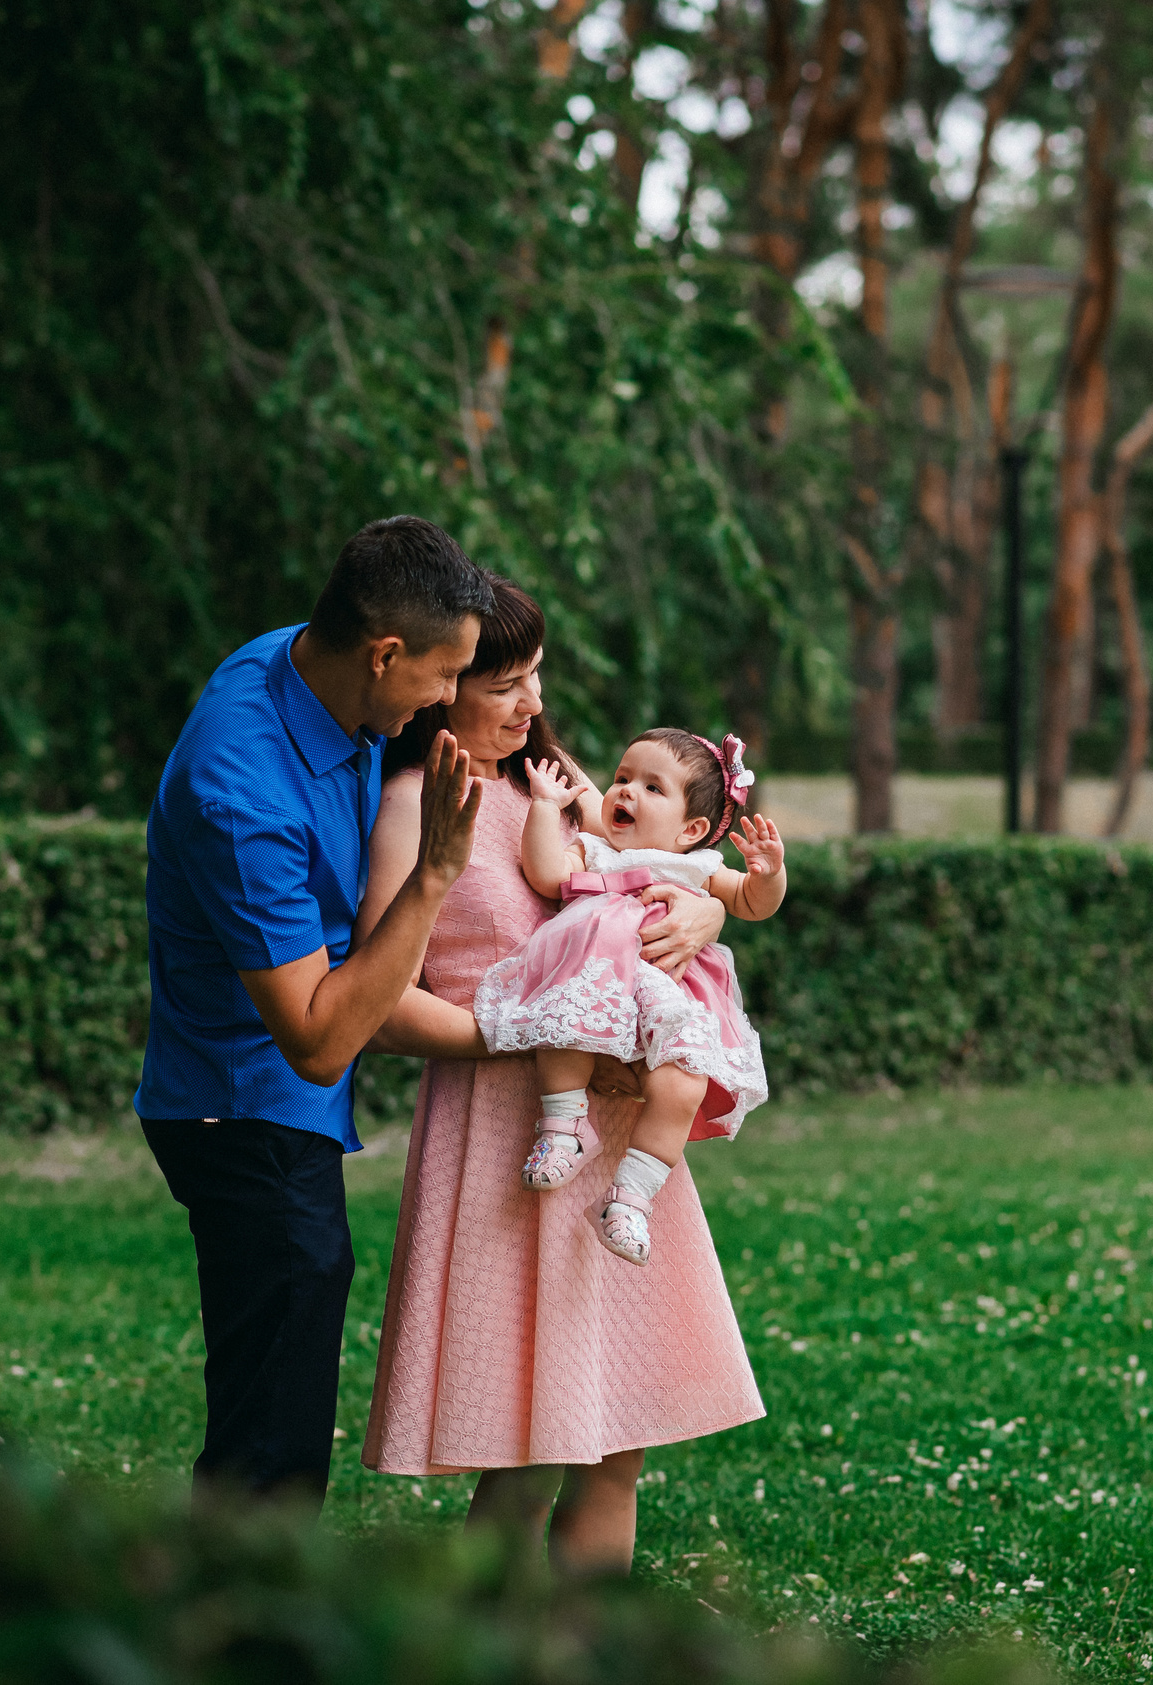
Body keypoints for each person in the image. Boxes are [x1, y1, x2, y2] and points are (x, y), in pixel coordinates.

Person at [359, 579, 761, 1574]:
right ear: (441, 686)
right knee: (527, 1454)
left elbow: (659, 866)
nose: (530, 703)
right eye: (502, 683)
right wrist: (523, 1029)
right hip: (507, 1129)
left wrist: (709, 911)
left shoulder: (560, 780)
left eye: (535, 675)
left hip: (616, 1129)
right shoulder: (414, 804)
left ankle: (594, 1649)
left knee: (614, 1445)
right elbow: (378, 995)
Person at [133, 515, 494, 1504]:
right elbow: (321, 1039)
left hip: (267, 1103)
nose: (448, 700)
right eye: (441, 676)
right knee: (271, 1426)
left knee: (276, 1385)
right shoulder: (238, 789)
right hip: (243, 1107)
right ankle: (248, 1619)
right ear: (384, 653)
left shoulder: (306, 666)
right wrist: (433, 878)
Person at [476, 734, 787, 1265]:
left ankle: (630, 1197)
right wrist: (547, 810)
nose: (625, 792)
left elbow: (752, 905)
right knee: (569, 1020)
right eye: (621, 778)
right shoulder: (595, 850)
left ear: (691, 829)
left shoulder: (701, 868)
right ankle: (563, 1126)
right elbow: (547, 875)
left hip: (669, 994)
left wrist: (769, 872)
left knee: (683, 1079)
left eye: (651, 787)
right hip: (599, 976)